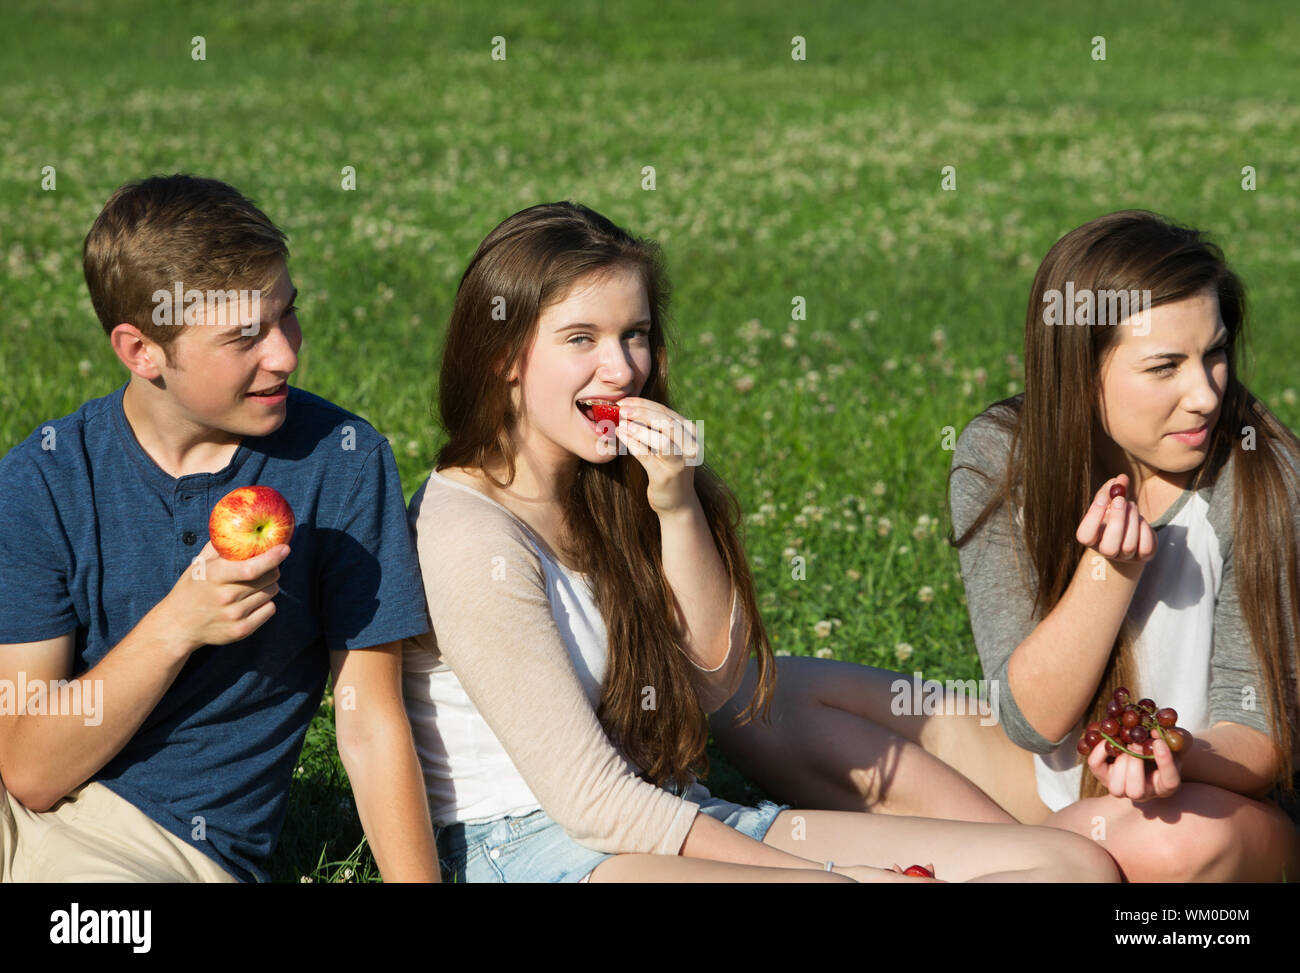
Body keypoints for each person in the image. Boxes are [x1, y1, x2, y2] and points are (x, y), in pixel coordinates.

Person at [401, 200, 1120, 882]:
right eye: (581, 339)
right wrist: (827, 875)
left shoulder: (619, 487)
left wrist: (676, 505)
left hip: (676, 815)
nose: (622, 370)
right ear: (504, 355)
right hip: (539, 850)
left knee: (1073, 866)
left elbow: (719, 682)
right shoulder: (467, 532)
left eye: (636, 334)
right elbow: (592, 802)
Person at [710, 210, 1300, 882]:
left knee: (1167, 848)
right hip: (1044, 777)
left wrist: (1168, 756)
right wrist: (1108, 574)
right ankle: (1038, 861)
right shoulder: (1001, 457)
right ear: (1080, 372)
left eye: (1215, 353)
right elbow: (1035, 721)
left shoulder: (1262, 477)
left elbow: (1261, 742)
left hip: (1210, 801)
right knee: (757, 696)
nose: (1204, 394)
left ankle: (1021, 860)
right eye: (1165, 366)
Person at [0, 174, 438, 883]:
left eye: (286, 315)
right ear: (142, 351)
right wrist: (177, 624)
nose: (286, 354)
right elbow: (27, 769)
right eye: (246, 336)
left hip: (157, 846)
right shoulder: (44, 479)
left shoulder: (341, 463)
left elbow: (368, 720)